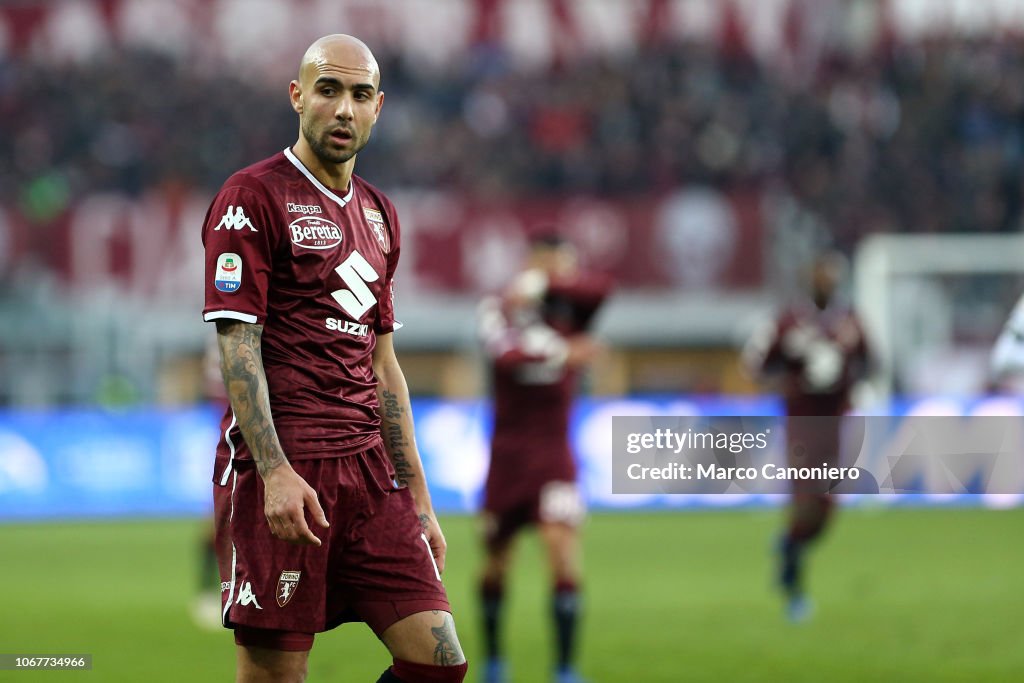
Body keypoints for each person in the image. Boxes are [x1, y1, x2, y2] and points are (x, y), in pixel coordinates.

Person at [201, 34, 467, 683]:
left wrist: (421, 496)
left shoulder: (379, 215)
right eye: (328, 90)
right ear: (298, 97)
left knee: (438, 661)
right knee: (276, 675)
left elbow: (385, 367)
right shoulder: (251, 197)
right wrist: (275, 471)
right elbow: (239, 344)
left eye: (359, 94)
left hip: (371, 473)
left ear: (379, 107)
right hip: (289, 461)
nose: (343, 109)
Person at [476, 235, 610, 683]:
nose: (557, 272)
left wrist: (554, 288)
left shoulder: (572, 313)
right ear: (529, 264)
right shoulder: (499, 310)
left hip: (554, 457)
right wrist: (564, 352)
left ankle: (566, 668)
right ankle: (495, 660)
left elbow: (603, 290)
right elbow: (505, 355)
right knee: (496, 562)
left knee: (562, 554)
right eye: (547, 263)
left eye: (562, 265)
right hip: (507, 460)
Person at [743, 251, 872, 622]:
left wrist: (851, 386)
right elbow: (757, 365)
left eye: (830, 275)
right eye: (820, 275)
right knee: (806, 496)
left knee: (826, 510)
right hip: (801, 421)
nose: (825, 281)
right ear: (809, 280)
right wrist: (788, 383)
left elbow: (870, 361)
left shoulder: (851, 320)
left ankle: (789, 545)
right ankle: (795, 591)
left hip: (835, 420)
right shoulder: (788, 321)